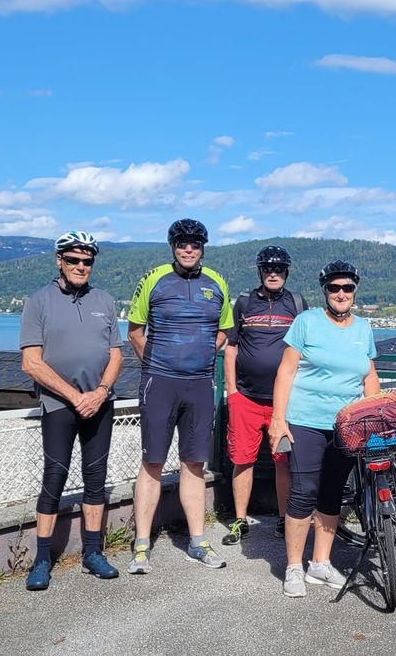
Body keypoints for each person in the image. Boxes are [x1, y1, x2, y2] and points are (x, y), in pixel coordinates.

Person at [19, 231, 124, 590]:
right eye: (74, 260)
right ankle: (42, 557)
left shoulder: (105, 300)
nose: (81, 266)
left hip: (100, 402)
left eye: (87, 261)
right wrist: (74, 396)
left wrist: (101, 391)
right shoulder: (39, 301)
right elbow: (32, 363)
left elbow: (116, 354)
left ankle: (93, 552)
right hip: (59, 404)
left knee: (96, 478)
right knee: (55, 477)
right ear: (59, 261)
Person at [127, 219, 233, 573]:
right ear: (173, 246)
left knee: (194, 464)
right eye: (182, 244)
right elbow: (135, 332)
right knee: (152, 462)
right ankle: (141, 545)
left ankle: (198, 541)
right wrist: (160, 366)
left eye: (196, 244)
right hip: (160, 382)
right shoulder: (154, 278)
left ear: (203, 248)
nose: (189, 249)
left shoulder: (217, 282)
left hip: (200, 384)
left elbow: (223, 333)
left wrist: (198, 360)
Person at [270, 261, 380, 598]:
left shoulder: (364, 328)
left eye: (347, 288)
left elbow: (369, 376)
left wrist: (372, 416)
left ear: (355, 292)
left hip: (346, 425)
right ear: (325, 292)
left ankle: (320, 563)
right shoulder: (307, 322)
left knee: (332, 493)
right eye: (335, 288)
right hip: (305, 420)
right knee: (304, 491)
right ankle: (293, 566)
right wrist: (278, 418)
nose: (341, 293)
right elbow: (286, 372)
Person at [221, 245, 305, 546]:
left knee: (283, 460)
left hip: (283, 401)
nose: (273, 273)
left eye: (279, 269)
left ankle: (284, 520)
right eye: (268, 268)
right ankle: (240, 521)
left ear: (286, 272)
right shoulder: (244, 302)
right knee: (242, 460)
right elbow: (231, 347)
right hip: (246, 396)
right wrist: (231, 391)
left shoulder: (296, 303)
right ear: (260, 271)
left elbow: (305, 349)